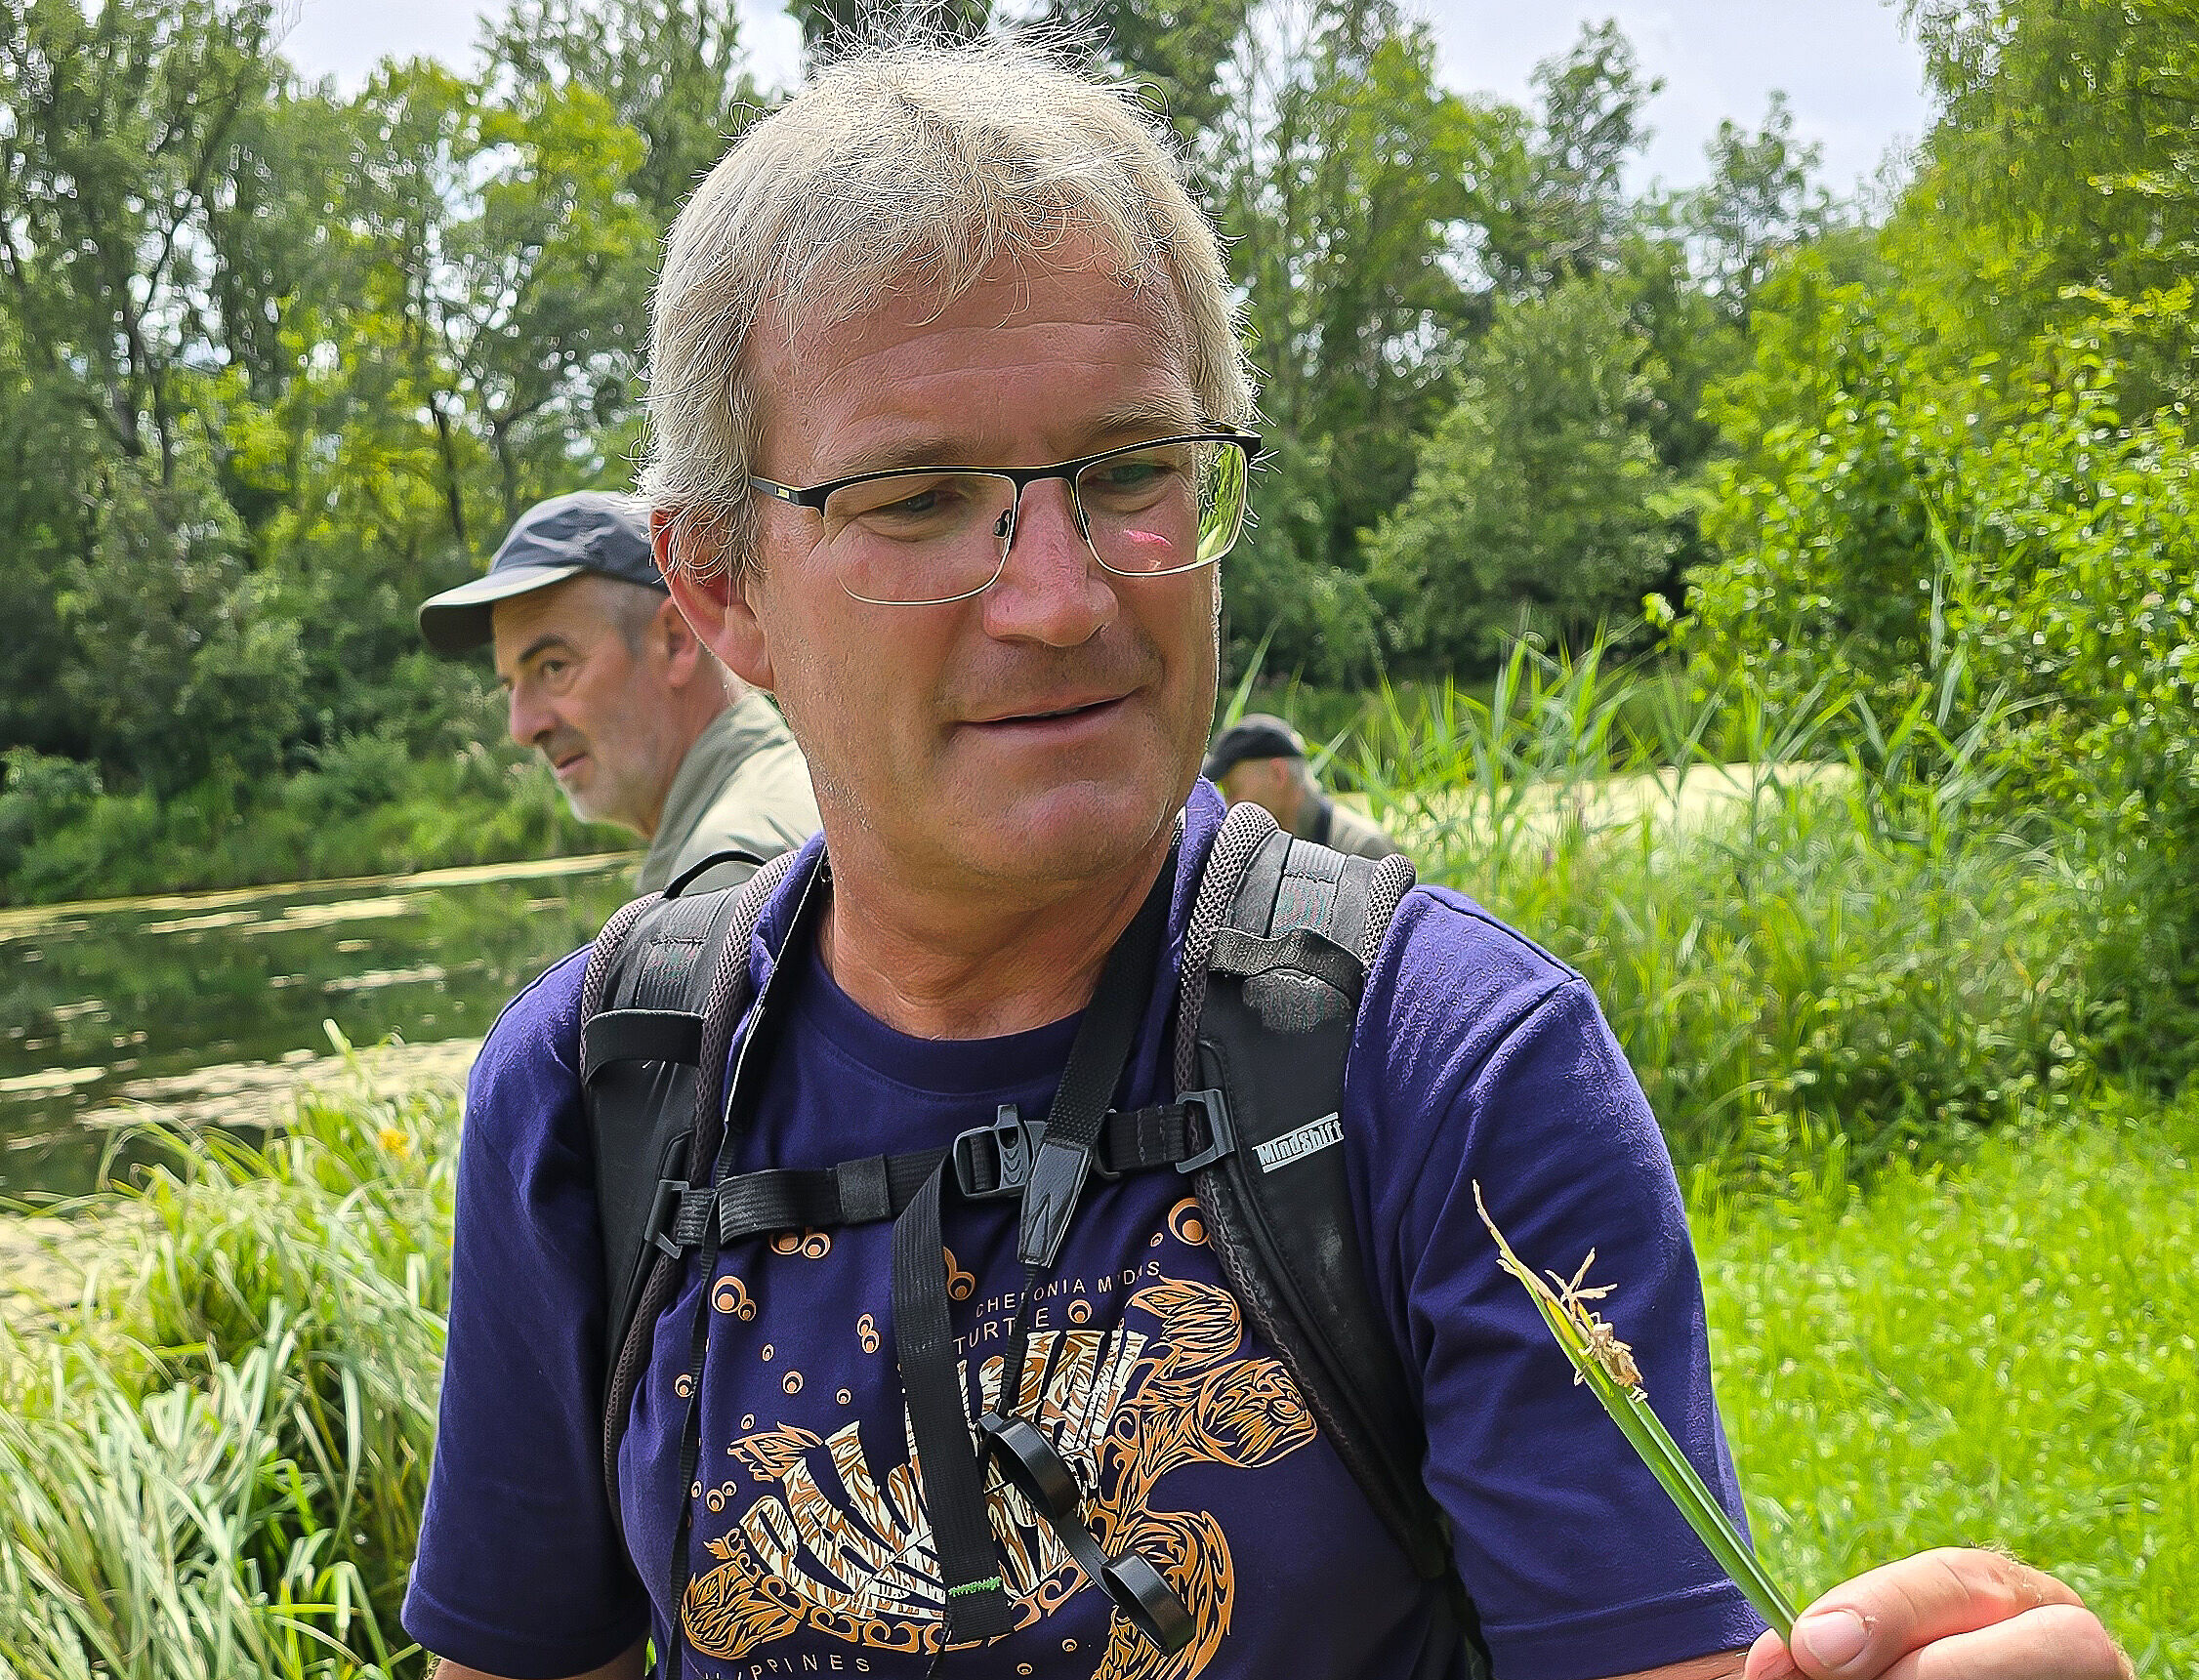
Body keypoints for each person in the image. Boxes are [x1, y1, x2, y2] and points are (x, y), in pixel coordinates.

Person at [401, 40, 2129, 1680]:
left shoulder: (1450, 1073)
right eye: (918, 497)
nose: (1064, 597)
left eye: (1133, 469)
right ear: (718, 586)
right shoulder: (593, 1093)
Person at [417, 489, 818, 891]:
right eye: (510, 686)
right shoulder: (808, 793)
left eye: (554, 667)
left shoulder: (723, 874)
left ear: (676, 642)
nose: (522, 728)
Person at [1202, 713, 1404, 860]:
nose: (1229, 806)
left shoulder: (1366, 850)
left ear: (1278, 774)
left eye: (1233, 790)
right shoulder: (1253, 851)